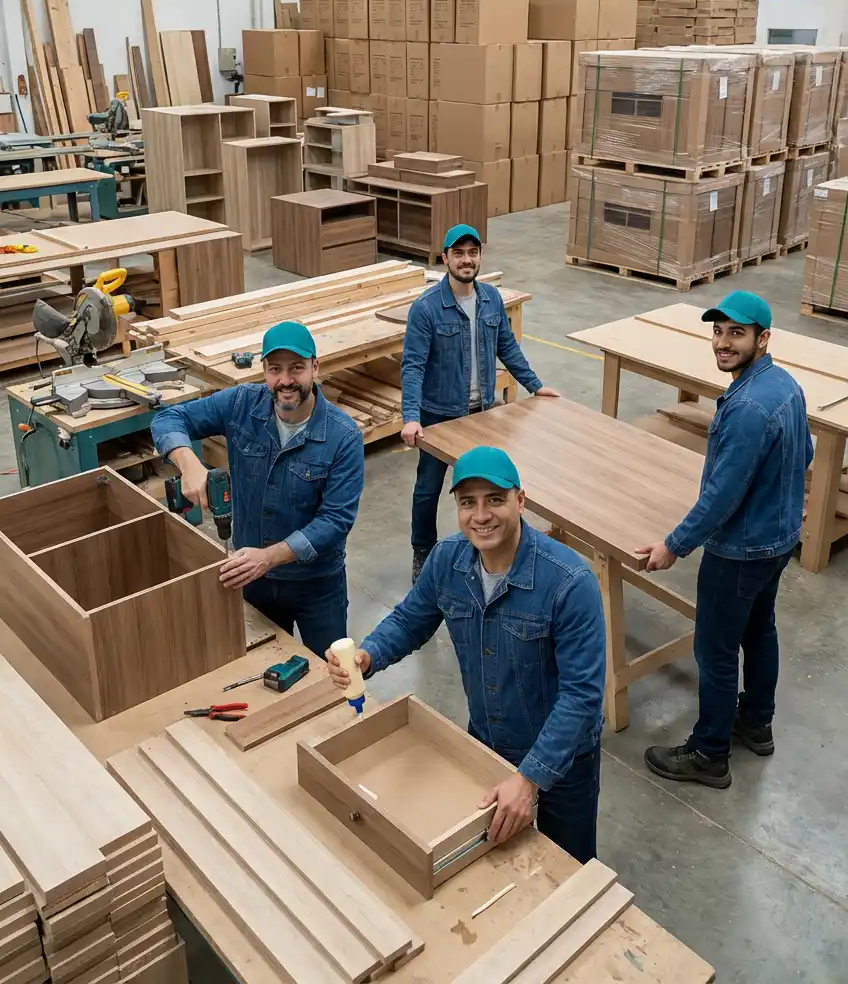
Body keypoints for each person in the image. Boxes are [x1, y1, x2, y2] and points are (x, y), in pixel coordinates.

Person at [326, 445, 606, 863]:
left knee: (568, 866)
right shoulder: (447, 561)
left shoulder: (569, 583)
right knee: (493, 865)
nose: (481, 515)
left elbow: (582, 697)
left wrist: (530, 779)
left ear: (521, 501)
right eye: (468, 503)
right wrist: (369, 655)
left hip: (564, 760)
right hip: (488, 741)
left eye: (495, 499)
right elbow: (410, 620)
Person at [636, 291, 812, 790]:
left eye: (736, 333)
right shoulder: (785, 385)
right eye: (717, 332)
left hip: (740, 550)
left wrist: (674, 544)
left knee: (715, 650)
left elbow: (722, 495)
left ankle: (709, 753)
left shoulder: (748, 406)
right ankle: (756, 724)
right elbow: (806, 451)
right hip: (778, 541)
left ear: (763, 338)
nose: (722, 343)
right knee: (759, 630)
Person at [150, 320, 365, 659]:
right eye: (275, 369)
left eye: (296, 368)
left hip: (316, 584)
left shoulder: (343, 437)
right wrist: (189, 463)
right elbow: (168, 419)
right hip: (253, 579)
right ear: (264, 370)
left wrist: (268, 557)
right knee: (263, 666)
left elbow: (335, 521)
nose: (285, 380)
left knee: (332, 671)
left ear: (315, 367)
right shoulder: (240, 404)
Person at [401, 223, 559, 580]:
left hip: (482, 413)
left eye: (472, 253)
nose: (466, 260)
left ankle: (485, 546)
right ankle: (422, 550)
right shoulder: (426, 308)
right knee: (427, 489)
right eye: (458, 253)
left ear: (480, 257)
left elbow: (507, 347)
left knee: (484, 485)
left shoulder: (491, 299)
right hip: (438, 415)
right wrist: (411, 417)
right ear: (445, 259)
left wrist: (535, 386)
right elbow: (412, 366)